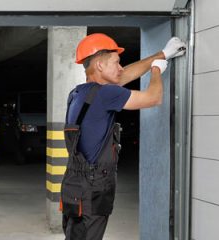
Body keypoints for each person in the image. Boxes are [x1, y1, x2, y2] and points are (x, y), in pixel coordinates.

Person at [60, 33, 186, 240]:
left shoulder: (79, 94)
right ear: (100, 66)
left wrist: (163, 54)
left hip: (74, 184)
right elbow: (153, 98)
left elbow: (124, 75)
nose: (120, 68)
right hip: (93, 187)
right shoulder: (105, 94)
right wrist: (156, 69)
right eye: (116, 63)